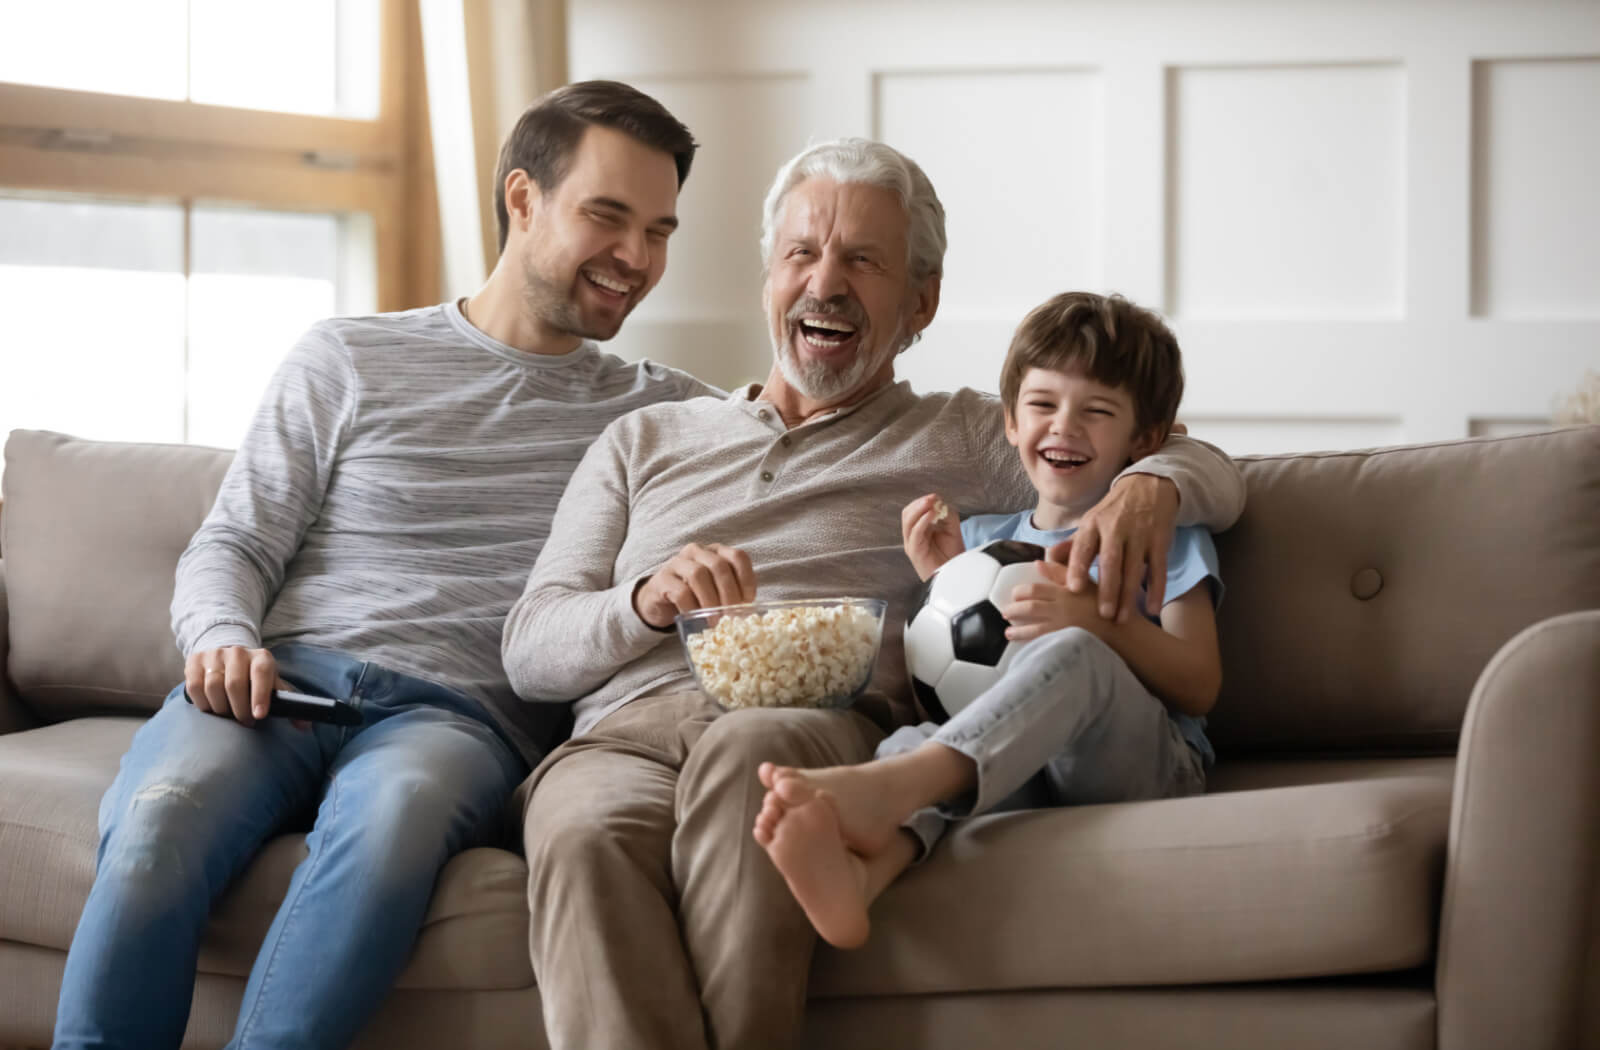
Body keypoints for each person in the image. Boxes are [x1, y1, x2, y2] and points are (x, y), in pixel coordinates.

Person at [504, 139, 1245, 1050]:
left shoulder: (968, 435)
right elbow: (531, 648)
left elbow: (1194, 459)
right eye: (803, 255)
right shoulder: (643, 439)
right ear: (769, 276)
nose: (826, 283)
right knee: (582, 834)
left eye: (864, 260)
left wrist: (1154, 484)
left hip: (806, 717)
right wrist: (645, 601)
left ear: (920, 301)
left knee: (761, 766)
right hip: (626, 731)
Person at [51, 81, 711, 1050]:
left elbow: (803, 441)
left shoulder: (662, 419)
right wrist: (224, 638)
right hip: (277, 688)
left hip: (459, 720)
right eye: (607, 217)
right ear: (521, 200)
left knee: (393, 824)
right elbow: (232, 543)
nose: (637, 259)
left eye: (660, 231)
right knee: (157, 826)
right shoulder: (348, 358)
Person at [753, 290, 1221, 949]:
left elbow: (1200, 683)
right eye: (1042, 405)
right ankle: (865, 875)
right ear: (1010, 421)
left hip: (1146, 769)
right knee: (922, 731)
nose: (1064, 427)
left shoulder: (1159, 533)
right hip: (1019, 773)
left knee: (1077, 654)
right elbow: (964, 681)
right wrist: (943, 581)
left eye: (1096, 411)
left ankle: (884, 792)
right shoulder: (982, 538)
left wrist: (1099, 622)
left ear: (1143, 437)